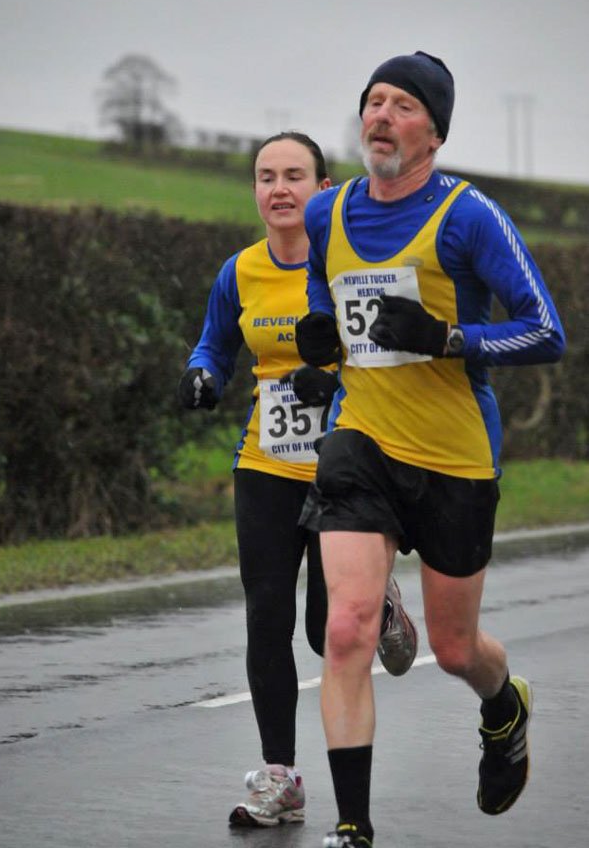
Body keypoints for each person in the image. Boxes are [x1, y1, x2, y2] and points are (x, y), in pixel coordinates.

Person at [294, 52, 566, 847]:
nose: (380, 115)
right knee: (343, 628)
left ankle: (502, 705)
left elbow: (546, 330)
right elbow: (323, 290)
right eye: (372, 101)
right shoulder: (326, 212)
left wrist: (449, 337)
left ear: (434, 131)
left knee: (453, 649)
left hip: (453, 453)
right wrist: (319, 334)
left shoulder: (469, 216)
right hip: (360, 439)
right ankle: (352, 826)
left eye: (402, 105)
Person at [177, 131, 418, 829]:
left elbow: (390, 354)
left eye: (292, 175)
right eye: (265, 177)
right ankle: (278, 777)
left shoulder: (346, 264)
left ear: (320, 187)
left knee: (324, 633)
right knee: (265, 617)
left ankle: (378, 601)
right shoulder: (240, 270)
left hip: (347, 464)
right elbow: (215, 340)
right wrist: (203, 374)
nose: (278, 188)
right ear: (255, 190)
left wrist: (334, 378)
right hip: (263, 466)